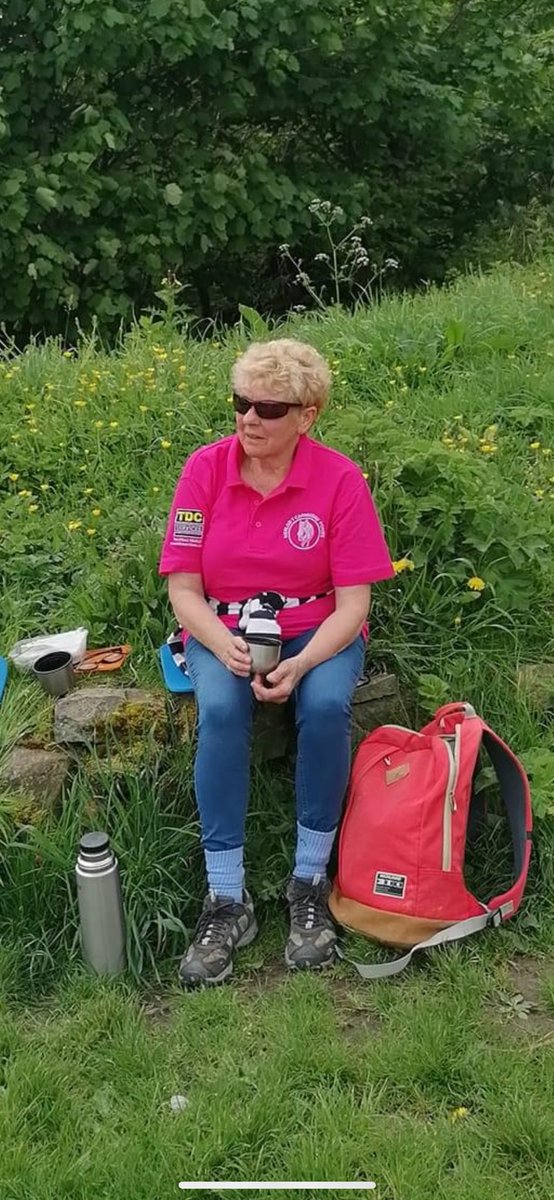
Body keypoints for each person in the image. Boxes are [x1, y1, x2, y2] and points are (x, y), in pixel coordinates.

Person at [159, 338, 394, 987]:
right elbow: (182, 588)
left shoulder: (340, 480)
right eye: (241, 403)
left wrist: (301, 663)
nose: (249, 419)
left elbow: (353, 604)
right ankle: (227, 899)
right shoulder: (203, 471)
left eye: (268, 407)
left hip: (317, 628)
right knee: (219, 708)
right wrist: (218, 637)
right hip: (223, 625)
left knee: (322, 706)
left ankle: (309, 883)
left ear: (307, 414)